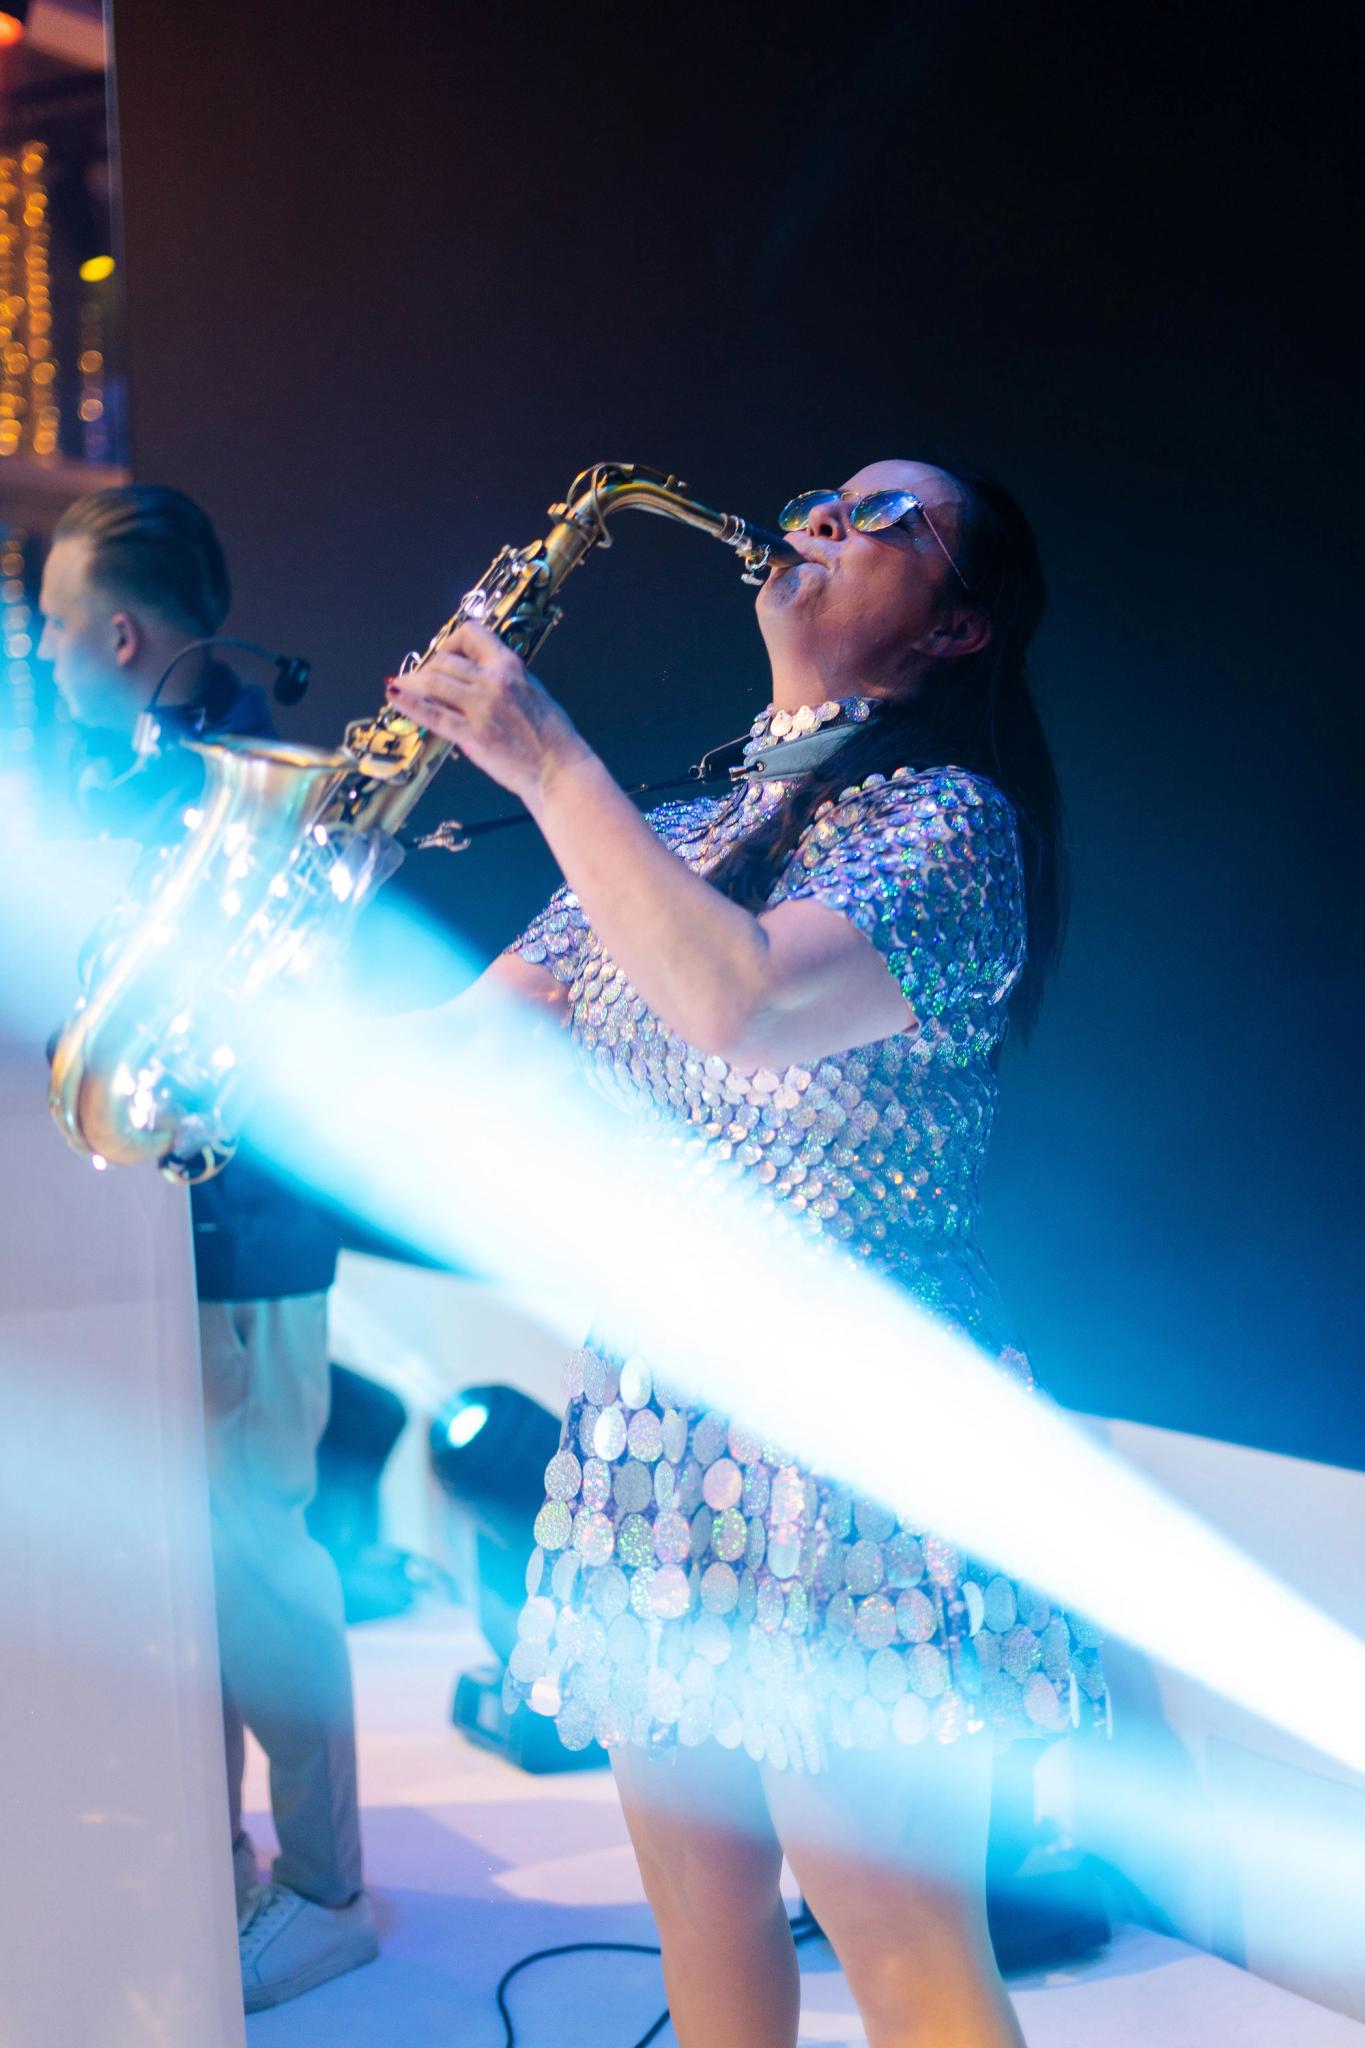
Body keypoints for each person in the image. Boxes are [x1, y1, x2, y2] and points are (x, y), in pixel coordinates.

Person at [387, 457, 1107, 2048]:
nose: (826, 519)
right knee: (700, 1930)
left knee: (901, 1945)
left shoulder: (947, 822)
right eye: (826, 495)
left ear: (957, 629)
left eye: (888, 519)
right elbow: (452, 1059)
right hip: (656, 1424)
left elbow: (746, 1005)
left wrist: (544, 759)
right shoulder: (680, 826)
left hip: (853, 1435)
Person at [37, 487, 377, 2014]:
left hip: (237, 1229)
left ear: (119, 633)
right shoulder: (121, 777)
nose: (43, 659)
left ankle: (322, 1888)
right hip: (143, 1228)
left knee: (254, 1563)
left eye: (52, 630)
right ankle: (220, 1860)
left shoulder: (250, 782)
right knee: (187, 1565)